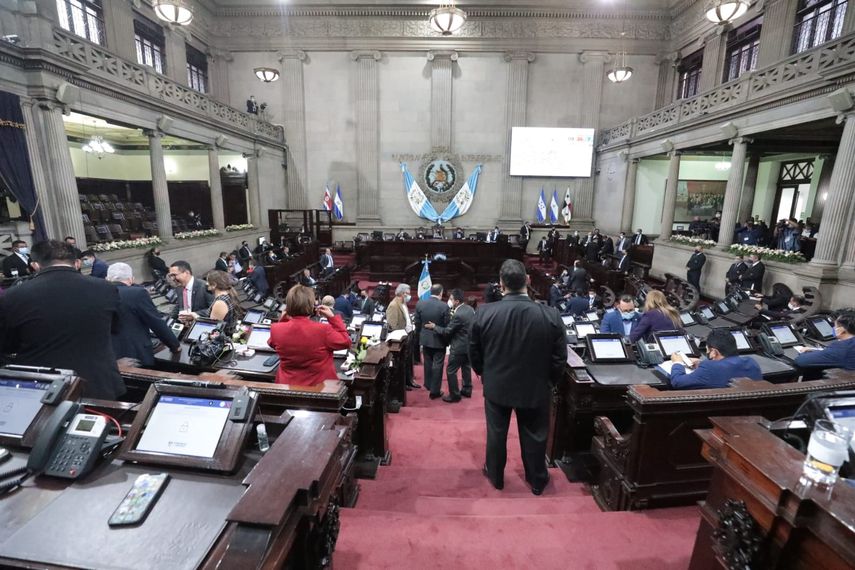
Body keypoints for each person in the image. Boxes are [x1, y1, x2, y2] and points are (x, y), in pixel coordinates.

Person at [470, 259, 567, 495]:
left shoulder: (484, 313)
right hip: (535, 386)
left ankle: (496, 476)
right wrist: (548, 381)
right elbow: (559, 358)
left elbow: (474, 353)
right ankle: (536, 480)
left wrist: (485, 374)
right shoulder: (551, 315)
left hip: (497, 386)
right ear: (528, 280)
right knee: (535, 436)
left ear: (501, 284)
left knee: (496, 434)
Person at [0, 240, 125, 399]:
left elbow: (7, 345)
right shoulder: (106, 288)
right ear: (77, 262)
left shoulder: (13, 296)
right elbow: (116, 328)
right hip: (98, 383)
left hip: (40, 389)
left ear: (35, 265)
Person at [268, 285, 351, 386]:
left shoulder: (276, 328)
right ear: (312, 306)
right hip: (321, 390)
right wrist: (333, 318)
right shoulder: (323, 330)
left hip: (288, 389)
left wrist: (283, 320)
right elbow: (346, 342)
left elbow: (272, 343)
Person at [107, 262, 180, 365]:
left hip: (109, 355)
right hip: (135, 355)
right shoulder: (137, 293)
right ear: (131, 279)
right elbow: (156, 323)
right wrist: (174, 345)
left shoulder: (98, 295)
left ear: (107, 279)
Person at [668, 329, 762, 389]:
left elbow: (677, 382)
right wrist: (700, 364)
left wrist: (677, 363)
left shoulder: (709, 368)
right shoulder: (751, 363)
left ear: (714, 352)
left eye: (707, 350)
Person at [425, 289, 475, 401]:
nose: (449, 301)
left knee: (451, 370)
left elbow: (447, 331)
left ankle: (455, 395)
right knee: (466, 367)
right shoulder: (470, 309)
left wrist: (434, 327)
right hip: (469, 345)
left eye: (451, 299)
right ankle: (467, 390)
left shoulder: (458, 314)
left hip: (458, 347)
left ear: (457, 301)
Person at [414, 284, 450, 399]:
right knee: (438, 365)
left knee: (428, 363)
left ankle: (428, 384)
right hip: (439, 339)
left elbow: (417, 323)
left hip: (425, 339)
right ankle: (435, 391)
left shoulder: (420, 303)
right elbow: (447, 325)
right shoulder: (444, 306)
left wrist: (420, 335)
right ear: (441, 292)